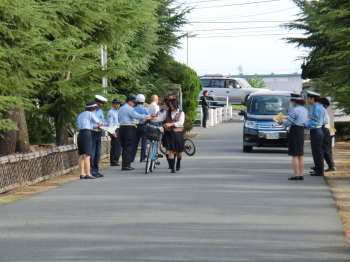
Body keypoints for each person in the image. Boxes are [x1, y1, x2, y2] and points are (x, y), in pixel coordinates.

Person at [118, 96, 155, 171]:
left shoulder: (121, 108)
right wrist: (149, 116)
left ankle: (125, 164)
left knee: (125, 147)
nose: (134, 104)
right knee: (129, 146)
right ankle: (126, 165)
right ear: (129, 101)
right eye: (133, 102)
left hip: (122, 127)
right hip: (128, 127)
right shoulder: (129, 108)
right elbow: (136, 116)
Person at [278, 94, 308, 180]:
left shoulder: (294, 110)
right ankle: (301, 174)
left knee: (294, 154)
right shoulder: (304, 109)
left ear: (294, 101)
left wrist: (282, 121)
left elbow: (289, 123)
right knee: (300, 154)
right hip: (301, 130)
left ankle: (296, 174)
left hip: (295, 130)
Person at [155, 99, 184, 173]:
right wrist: (150, 119)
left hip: (177, 133)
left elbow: (180, 123)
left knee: (178, 152)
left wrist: (171, 124)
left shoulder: (181, 113)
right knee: (170, 150)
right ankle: (172, 168)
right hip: (169, 133)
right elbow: (159, 118)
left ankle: (178, 162)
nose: (170, 107)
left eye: (172, 105)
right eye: (170, 105)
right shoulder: (167, 113)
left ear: (176, 105)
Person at [77, 101, 104, 179]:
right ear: (93, 108)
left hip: (80, 133)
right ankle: (88, 173)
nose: (96, 109)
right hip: (87, 133)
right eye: (95, 107)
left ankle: (82, 173)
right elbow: (100, 122)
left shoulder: (81, 114)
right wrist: (100, 124)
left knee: (81, 155)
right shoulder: (90, 114)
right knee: (87, 155)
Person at [305, 91, 325, 176]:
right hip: (316, 130)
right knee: (316, 151)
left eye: (308, 98)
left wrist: (305, 126)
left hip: (316, 130)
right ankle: (317, 168)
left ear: (313, 98)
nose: (307, 100)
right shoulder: (317, 107)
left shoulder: (317, 108)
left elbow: (315, 122)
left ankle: (319, 170)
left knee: (317, 151)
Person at [90, 95, 108, 178]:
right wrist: (96, 126)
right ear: (96, 103)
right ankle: (91, 170)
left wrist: (108, 125)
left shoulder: (100, 111)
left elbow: (103, 121)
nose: (100, 106)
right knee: (92, 152)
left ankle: (96, 170)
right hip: (92, 132)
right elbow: (89, 123)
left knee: (97, 153)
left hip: (98, 133)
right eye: (100, 104)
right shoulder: (90, 112)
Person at [131, 94, 150, 163]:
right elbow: (149, 117)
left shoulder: (133, 108)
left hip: (136, 126)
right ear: (143, 101)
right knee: (144, 142)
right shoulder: (145, 109)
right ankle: (142, 157)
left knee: (135, 143)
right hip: (144, 126)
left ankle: (132, 158)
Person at [319, 97, 336, 172]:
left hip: (328, 130)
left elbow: (325, 121)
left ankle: (330, 164)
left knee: (327, 148)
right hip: (329, 130)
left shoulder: (327, 111)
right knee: (326, 148)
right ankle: (326, 163)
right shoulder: (328, 111)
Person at [107, 98, 122, 167]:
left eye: (118, 104)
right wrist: (113, 132)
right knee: (115, 145)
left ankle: (116, 159)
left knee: (119, 146)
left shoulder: (119, 111)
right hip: (114, 129)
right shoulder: (111, 112)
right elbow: (110, 123)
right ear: (113, 104)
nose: (117, 105)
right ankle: (113, 161)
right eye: (116, 104)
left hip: (119, 128)